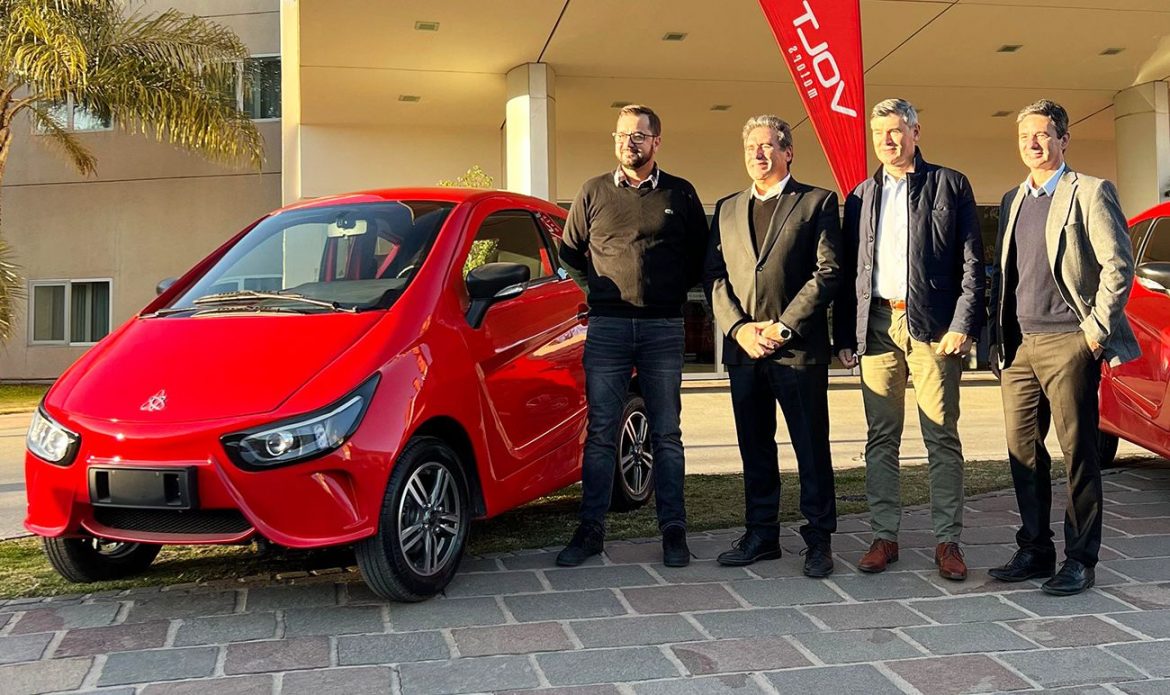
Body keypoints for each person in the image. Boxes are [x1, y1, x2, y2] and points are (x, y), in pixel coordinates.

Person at [987, 99, 1140, 596]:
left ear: (1063, 139)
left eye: (1042, 134)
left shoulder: (1091, 192)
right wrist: (997, 340)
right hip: (1018, 348)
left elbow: (1119, 266)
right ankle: (1034, 548)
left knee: (1078, 454)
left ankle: (1080, 558)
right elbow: (1005, 277)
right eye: (1024, 136)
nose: (1032, 144)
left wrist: (1094, 333)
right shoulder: (1012, 199)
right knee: (1023, 453)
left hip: (1068, 342)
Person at [834, 98, 984, 581]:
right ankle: (884, 536)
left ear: (917, 131)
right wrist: (845, 334)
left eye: (897, 130)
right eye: (880, 133)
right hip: (876, 325)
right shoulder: (860, 196)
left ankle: (948, 541)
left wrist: (963, 322)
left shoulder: (950, 184)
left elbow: (971, 262)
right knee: (881, 436)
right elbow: (849, 273)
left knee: (941, 434)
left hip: (934, 328)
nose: (889, 140)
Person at [556, 104, 709, 568]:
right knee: (601, 432)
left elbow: (700, 258)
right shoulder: (592, 192)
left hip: (663, 327)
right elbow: (569, 255)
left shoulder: (680, 193)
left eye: (639, 136)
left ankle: (673, 532)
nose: (629, 143)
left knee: (666, 434)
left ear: (656, 142)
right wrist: (598, 293)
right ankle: (590, 532)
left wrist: (668, 293)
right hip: (608, 329)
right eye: (622, 135)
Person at [704, 115, 841, 577]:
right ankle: (761, 535)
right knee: (755, 445)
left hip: (796, 349)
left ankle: (818, 539)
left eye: (767, 146)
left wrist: (784, 327)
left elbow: (828, 272)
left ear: (788, 152)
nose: (758, 155)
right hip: (745, 350)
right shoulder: (725, 208)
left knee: (810, 446)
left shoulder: (817, 202)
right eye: (751, 148)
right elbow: (714, 277)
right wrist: (739, 329)